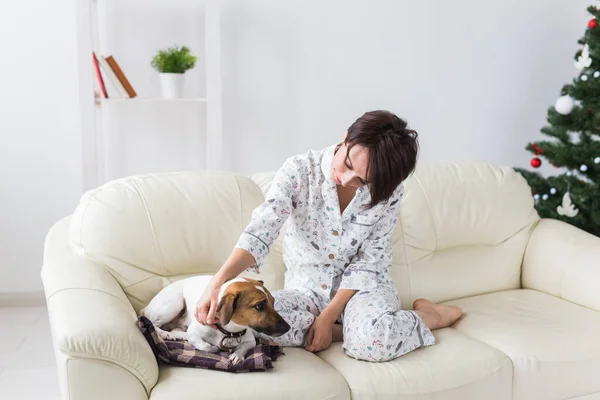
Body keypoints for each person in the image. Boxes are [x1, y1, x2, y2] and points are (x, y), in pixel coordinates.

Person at [195, 110, 462, 362]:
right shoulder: (299, 171)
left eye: (362, 180)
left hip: (362, 288)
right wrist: (216, 283)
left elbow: (370, 260)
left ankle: (428, 317)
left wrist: (327, 316)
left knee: (371, 343)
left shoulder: (388, 192)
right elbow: (261, 231)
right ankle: (349, 331)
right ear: (347, 137)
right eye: (347, 164)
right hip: (306, 290)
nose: (346, 179)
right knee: (257, 326)